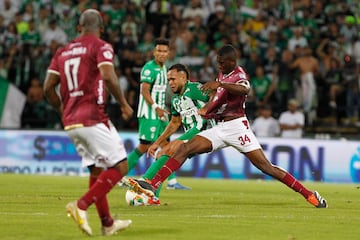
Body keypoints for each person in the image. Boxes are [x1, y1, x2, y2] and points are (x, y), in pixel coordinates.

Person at [126, 44, 328, 208]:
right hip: (219, 128)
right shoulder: (222, 74)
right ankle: (153, 185)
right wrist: (208, 108)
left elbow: (244, 89)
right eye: (218, 63)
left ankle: (309, 194)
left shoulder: (238, 74)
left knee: (266, 167)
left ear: (233, 61)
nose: (220, 66)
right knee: (184, 148)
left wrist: (219, 86)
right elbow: (216, 99)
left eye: (223, 63)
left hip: (237, 127)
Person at [43, 9, 134, 236]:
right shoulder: (101, 46)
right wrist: (123, 103)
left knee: (97, 169)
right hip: (93, 117)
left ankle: (107, 223)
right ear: (101, 29)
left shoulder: (62, 52)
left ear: (78, 28)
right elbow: (107, 74)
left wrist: (64, 111)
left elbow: (47, 88)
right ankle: (80, 205)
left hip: (71, 122)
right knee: (120, 166)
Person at [134, 63, 213, 203]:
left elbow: (215, 95)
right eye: (168, 79)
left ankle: (145, 180)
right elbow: (174, 123)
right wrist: (156, 143)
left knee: (165, 152)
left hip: (203, 131)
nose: (170, 82)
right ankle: (153, 196)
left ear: (183, 77)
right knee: (164, 156)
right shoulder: (175, 99)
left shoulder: (194, 88)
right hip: (193, 135)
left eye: (173, 79)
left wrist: (207, 108)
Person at [126, 38, 190, 190]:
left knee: (167, 146)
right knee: (145, 146)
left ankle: (172, 182)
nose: (161, 54)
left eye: (164, 51)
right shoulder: (149, 68)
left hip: (161, 114)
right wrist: (156, 107)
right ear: (154, 52)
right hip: (150, 113)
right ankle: (118, 175)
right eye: (159, 51)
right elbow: (144, 90)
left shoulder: (164, 69)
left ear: (169, 53)